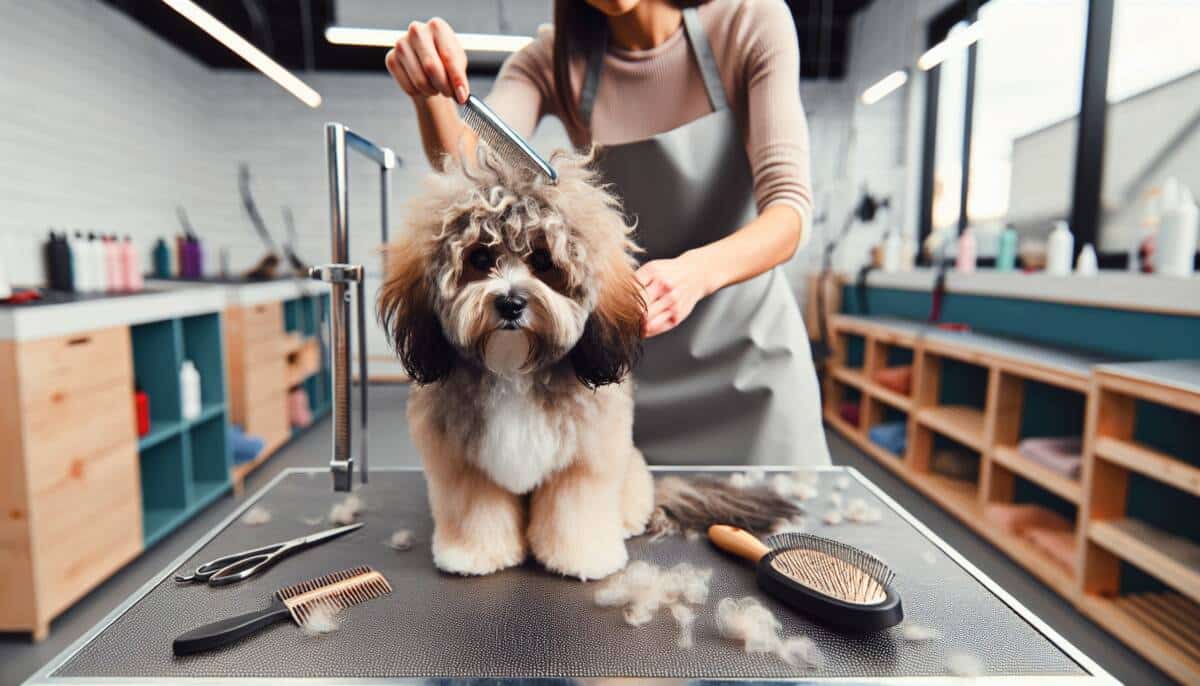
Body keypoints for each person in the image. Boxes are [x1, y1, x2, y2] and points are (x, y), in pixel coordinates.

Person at [386, 0, 830, 466]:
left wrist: (695, 274)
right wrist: (430, 91)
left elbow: (789, 211)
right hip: (631, 371)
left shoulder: (750, 21)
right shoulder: (552, 59)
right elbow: (468, 164)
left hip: (749, 364)